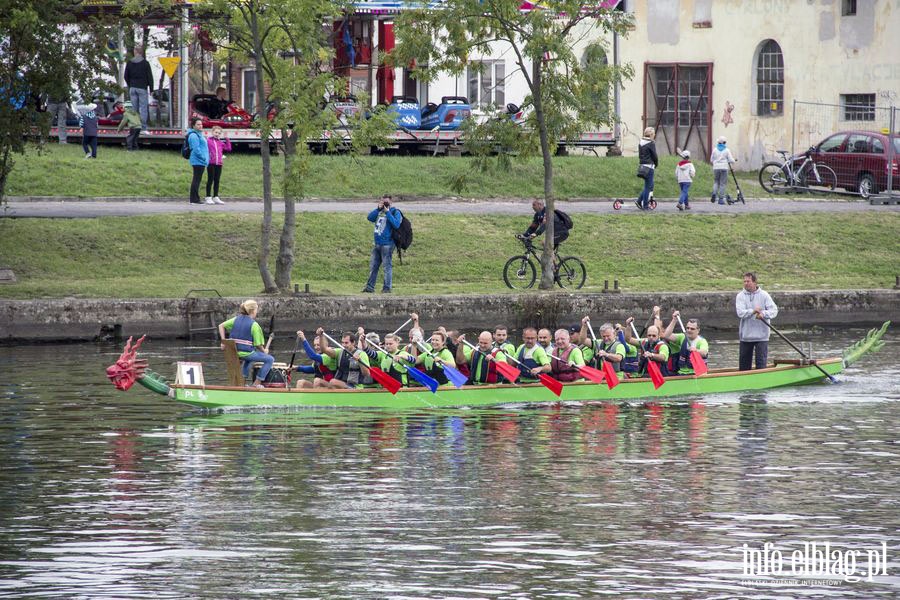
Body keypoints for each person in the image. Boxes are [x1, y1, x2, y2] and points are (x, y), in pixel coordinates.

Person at [218, 299, 273, 389]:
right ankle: (257, 383)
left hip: (235, 353)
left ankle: (242, 382)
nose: (256, 312)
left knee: (249, 359)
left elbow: (221, 326)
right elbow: (258, 345)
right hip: (246, 353)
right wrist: (264, 351)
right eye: (256, 310)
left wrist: (223, 341)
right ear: (252, 311)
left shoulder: (235, 319)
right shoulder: (254, 325)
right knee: (270, 359)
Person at [736, 271, 778, 371]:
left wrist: (764, 314)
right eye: (744, 281)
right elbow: (740, 313)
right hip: (746, 337)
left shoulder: (764, 295)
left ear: (755, 282)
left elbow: (774, 311)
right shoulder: (740, 296)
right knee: (744, 367)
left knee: (761, 365)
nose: (746, 283)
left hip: (762, 337)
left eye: (748, 281)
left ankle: (761, 378)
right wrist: (753, 311)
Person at [362, 194, 402, 293]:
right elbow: (370, 218)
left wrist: (388, 212)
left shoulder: (395, 212)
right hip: (377, 243)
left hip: (387, 244)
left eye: (387, 202)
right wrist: (378, 209)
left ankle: (387, 288)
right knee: (374, 266)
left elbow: (396, 224)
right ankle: (370, 287)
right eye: (383, 202)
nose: (385, 204)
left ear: (391, 202)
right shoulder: (379, 212)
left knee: (386, 267)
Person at [660, 310, 709, 375]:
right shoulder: (682, 337)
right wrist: (674, 320)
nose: (689, 330)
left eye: (692, 329)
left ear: (698, 330)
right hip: (681, 373)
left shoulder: (701, 341)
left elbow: (704, 352)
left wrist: (696, 350)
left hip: (696, 373)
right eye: (687, 328)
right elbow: (666, 335)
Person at [124, 47, 154, 129]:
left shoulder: (129, 63)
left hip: (133, 88)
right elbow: (150, 77)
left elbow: (125, 76)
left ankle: (134, 126)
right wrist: (151, 89)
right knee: (143, 108)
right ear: (141, 52)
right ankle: (143, 127)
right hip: (142, 88)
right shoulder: (145, 63)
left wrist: (130, 84)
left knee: (134, 108)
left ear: (135, 52)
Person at [205, 125, 231, 204]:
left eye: (219, 133)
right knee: (210, 180)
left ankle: (216, 197)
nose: (217, 134)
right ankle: (208, 197)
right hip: (211, 163)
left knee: (217, 180)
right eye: (216, 132)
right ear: (212, 132)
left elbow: (229, 149)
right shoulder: (208, 140)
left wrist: (227, 138)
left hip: (219, 164)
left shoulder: (220, 142)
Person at [187, 118, 209, 205]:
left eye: (201, 124)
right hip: (198, 161)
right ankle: (194, 200)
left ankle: (195, 198)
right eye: (198, 124)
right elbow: (196, 149)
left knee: (197, 179)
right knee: (196, 180)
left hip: (200, 161)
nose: (200, 126)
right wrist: (203, 158)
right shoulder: (194, 135)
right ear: (193, 126)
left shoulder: (199, 134)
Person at [636, 127, 658, 210]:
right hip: (649, 167)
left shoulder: (641, 142)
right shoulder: (651, 143)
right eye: (654, 133)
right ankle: (645, 206)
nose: (654, 135)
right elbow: (654, 156)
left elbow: (640, 156)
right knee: (648, 187)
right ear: (651, 134)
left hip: (642, 166)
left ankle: (639, 201)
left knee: (648, 185)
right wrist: (656, 164)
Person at [711, 135, 737, 204]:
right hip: (724, 168)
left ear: (718, 142)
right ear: (725, 143)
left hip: (716, 168)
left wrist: (716, 162)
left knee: (716, 182)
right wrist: (734, 161)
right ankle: (721, 199)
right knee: (722, 183)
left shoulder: (714, 149)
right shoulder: (727, 150)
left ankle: (714, 193)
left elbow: (711, 159)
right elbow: (731, 160)